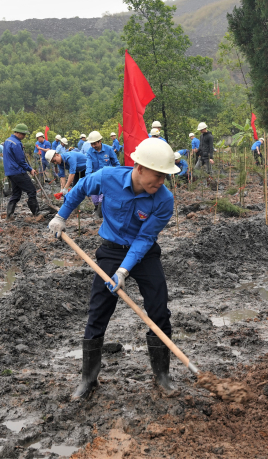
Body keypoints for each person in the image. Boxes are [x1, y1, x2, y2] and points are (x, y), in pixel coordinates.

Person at [47, 138, 180, 398]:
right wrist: (61, 216)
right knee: (98, 311)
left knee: (158, 309)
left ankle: (162, 376)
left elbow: (144, 238)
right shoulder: (107, 177)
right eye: (158, 175)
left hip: (144, 255)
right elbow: (80, 188)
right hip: (110, 250)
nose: (161, 182)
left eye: (165, 176)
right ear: (140, 168)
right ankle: (88, 380)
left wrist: (123, 271)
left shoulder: (164, 200)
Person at [3, 123, 40, 221]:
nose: (24, 136)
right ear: (18, 133)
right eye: (23, 134)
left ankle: (9, 215)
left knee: (16, 194)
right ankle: (36, 214)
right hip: (17, 171)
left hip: (10, 172)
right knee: (31, 190)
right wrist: (30, 169)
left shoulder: (7, 141)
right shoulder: (16, 143)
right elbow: (21, 161)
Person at [84, 131, 120, 221]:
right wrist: (88, 178)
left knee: (103, 197)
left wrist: (118, 174)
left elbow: (116, 163)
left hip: (107, 178)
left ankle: (102, 214)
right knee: (95, 198)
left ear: (100, 141)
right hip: (95, 177)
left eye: (95, 143)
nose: (93, 146)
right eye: (91, 144)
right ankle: (97, 209)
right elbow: (88, 166)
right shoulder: (90, 152)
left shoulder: (109, 149)